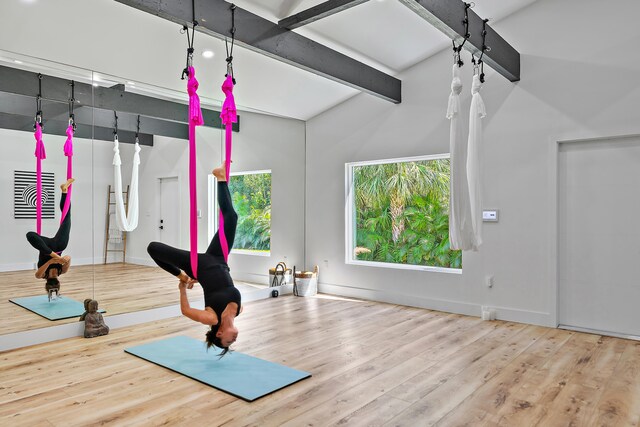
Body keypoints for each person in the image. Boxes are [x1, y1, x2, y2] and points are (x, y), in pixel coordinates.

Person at [147, 164, 241, 356]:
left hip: (199, 267)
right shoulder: (239, 310)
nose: (232, 341)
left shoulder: (211, 318)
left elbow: (186, 310)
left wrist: (183, 283)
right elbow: (222, 283)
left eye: (226, 342)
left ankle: (180, 274)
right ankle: (220, 177)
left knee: (153, 248)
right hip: (219, 257)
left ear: (219, 333)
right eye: (232, 342)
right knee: (231, 218)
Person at [26, 179, 74, 297]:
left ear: (48, 283)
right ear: (58, 282)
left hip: (46, 247)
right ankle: (64, 191)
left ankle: (52, 254)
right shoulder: (62, 271)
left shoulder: (41, 275)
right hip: (59, 246)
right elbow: (68, 257)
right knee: (66, 217)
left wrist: (54, 259)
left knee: (30, 235)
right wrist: (64, 260)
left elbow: (38, 273)